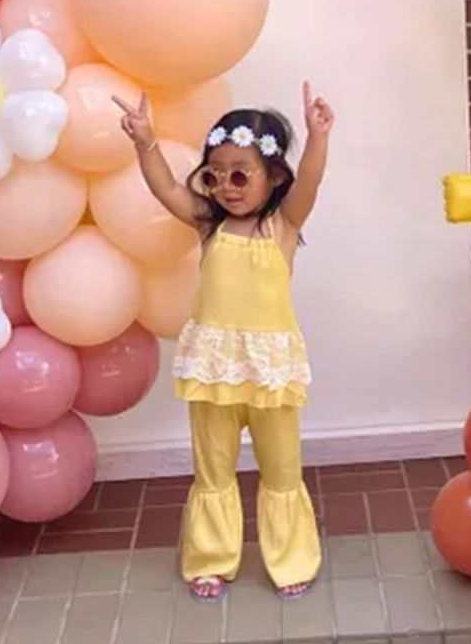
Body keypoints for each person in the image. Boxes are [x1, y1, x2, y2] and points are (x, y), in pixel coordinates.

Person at [115, 82, 334, 603]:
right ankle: (211, 556)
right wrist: (144, 141)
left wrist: (319, 136)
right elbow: (167, 187)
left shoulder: (282, 225)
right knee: (212, 469)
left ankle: (291, 557)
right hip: (213, 371)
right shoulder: (208, 226)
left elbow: (311, 181)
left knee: (282, 471)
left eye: (241, 175)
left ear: (273, 176)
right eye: (216, 176)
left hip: (270, 373)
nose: (228, 188)